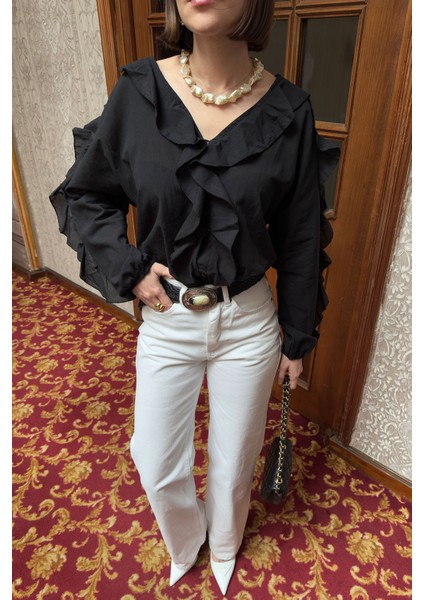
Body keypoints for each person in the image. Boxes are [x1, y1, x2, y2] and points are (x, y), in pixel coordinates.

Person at [50, 0, 339, 595]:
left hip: (249, 321)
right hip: (169, 316)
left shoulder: (289, 111)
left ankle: (226, 543)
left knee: (234, 462)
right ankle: (186, 541)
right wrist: (131, 270)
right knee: (154, 459)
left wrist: (298, 335)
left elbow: (302, 237)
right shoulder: (140, 93)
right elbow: (87, 194)